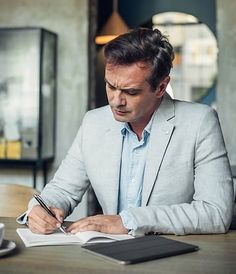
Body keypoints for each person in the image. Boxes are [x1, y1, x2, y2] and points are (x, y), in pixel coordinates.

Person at [21, 28, 234, 236]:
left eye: (130, 92)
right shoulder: (93, 122)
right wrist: (40, 209)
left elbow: (216, 212)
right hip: (108, 256)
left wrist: (129, 221)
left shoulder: (200, 122)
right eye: (110, 86)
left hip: (176, 258)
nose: (115, 101)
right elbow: (63, 190)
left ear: (161, 87)